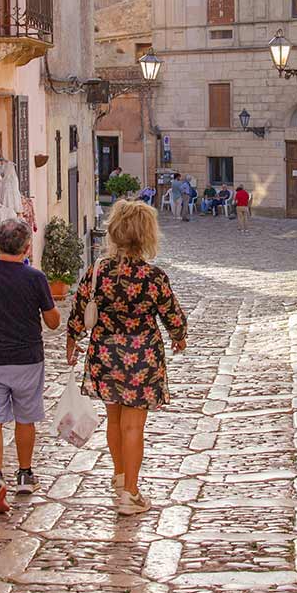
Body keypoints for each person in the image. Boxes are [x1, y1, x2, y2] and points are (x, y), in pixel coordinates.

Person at [66, 200, 186, 515]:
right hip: (142, 358)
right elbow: (172, 315)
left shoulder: (98, 271)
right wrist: (179, 337)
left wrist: (71, 339)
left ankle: (120, 477)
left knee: (115, 419)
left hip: (105, 355)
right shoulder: (153, 276)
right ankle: (130, 494)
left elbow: (79, 310)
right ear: (147, 235)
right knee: (133, 426)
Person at [0, 217, 62, 514]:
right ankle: (25, 474)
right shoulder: (35, 278)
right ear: (27, 246)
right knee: (25, 418)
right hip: (27, 359)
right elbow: (53, 322)